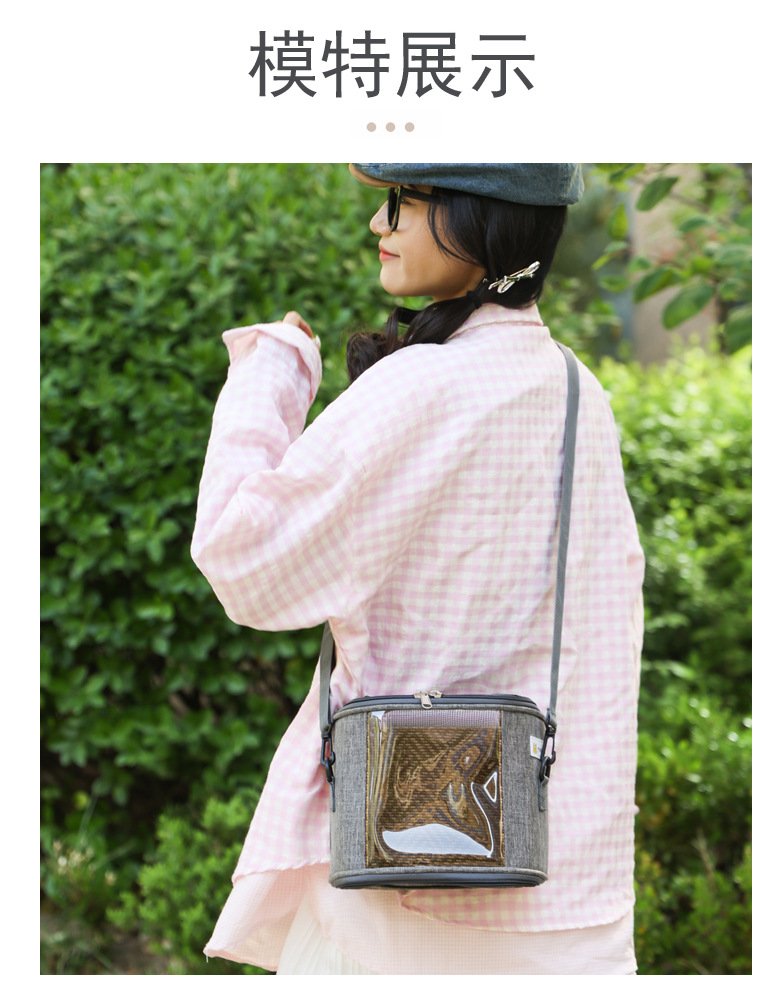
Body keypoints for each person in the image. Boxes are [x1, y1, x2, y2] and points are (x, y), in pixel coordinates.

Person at [190, 163, 645, 975]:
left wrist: (271, 372)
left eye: (406, 201)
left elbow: (243, 559)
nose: (380, 222)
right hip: (562, 882)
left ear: (483, 220)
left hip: (397, 888)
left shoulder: (418, 387)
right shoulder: (581, 394)